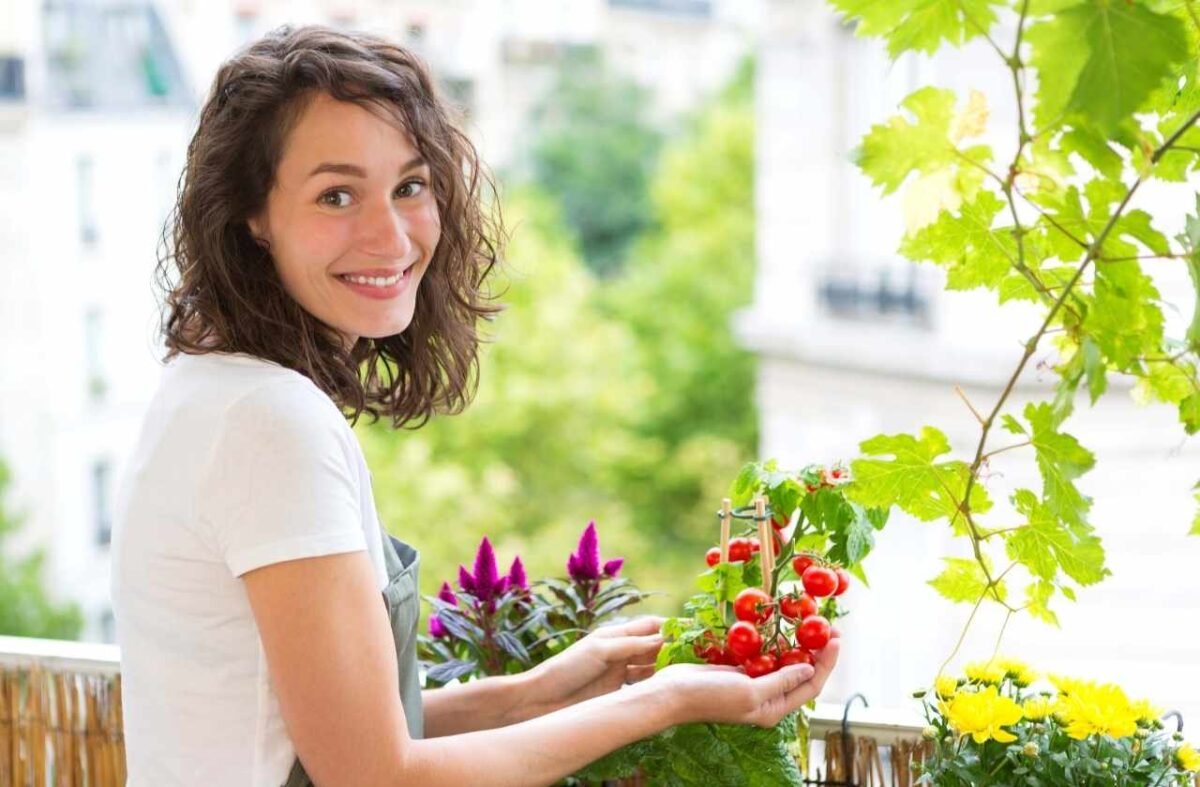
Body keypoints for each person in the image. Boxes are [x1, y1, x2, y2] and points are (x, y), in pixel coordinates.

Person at [111, 24, 840, 787]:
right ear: (252, 217)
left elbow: (312, 724)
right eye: (336, 194)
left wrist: (545, 687)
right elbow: (375, 774)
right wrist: (664, 701)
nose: (389, 236)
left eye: (409, 186)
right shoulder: (271, 422)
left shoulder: (209, 388)